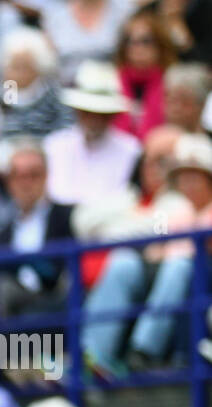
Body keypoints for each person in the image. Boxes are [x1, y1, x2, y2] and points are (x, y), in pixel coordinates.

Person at [82, 132, 212, 374]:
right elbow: (155, 250)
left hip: (199, 279)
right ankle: (92, 355)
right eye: (184, 176)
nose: (189, 183)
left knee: (179, 266)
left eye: (196, 176)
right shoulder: (178, 210)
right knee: (124, 262)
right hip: (167, 278)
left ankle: (144, 349)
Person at [0, 141, 76, 322]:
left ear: (46, 177)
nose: (25, 183)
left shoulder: (66, 217)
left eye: (33, 175)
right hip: (11, 301)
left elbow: (64, 271)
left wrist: (28, 262)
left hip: (54, 298)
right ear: (9, 182)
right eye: (18, 176)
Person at [0, 26, 73, 156]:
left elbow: (65, 134)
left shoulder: (53, 96)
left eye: (24, 67)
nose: (16, 74)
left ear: (39, 68)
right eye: (13, 66)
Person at [43, 61, 142, 207]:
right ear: (77, 110)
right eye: (87, 112)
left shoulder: (131, 150)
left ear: (112, 115)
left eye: (102, 113)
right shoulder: (54, 146)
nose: (94, 119)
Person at [114, 7, 176, 142]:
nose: (138, 48)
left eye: (145, 41)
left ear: (160, 45)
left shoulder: (172, 84)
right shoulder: (110, 81)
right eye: (130, 41)